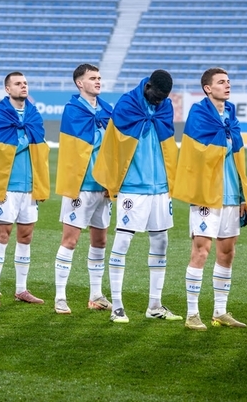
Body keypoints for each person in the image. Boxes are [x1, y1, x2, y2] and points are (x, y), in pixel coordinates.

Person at [92, 70, 181, 324]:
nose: (159, 101)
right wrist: (111, 181)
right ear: (148, 86)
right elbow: (112, 145)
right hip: (132, 185)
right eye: (157, 96)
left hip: (160, 186)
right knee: (122, 242)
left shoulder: (165, 106)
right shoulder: (127, 104)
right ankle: (117, 307)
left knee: (161, 242)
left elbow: (168, 143)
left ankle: (155, 305)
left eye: (164, 97)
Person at [173, 68, 247, 330]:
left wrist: (242, 195)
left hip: (230, 194)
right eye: (221, 82)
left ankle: (220, 311)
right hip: (207, 194)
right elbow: (196, 155)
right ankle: (192, 314)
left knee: (227, 253)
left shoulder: (231, 115)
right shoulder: (199, 114)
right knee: (201, 251)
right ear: (208, 88)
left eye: (228, 81)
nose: (227, 85)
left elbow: (237, 156)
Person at [0, 72, 50, 307]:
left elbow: (40, 147)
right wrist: (24, 141)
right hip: (6, 185)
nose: (23, 86)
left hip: (29, 187)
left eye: (25, 83)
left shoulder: (33, 114)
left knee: (26, 236)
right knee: (2, 235)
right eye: (18, 83)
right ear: (7, 89)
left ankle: (21, 289)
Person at [53, 64, 114, 314]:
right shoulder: (73, 110)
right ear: (80, 83)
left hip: (103, 186)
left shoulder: (107, 110)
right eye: (92, 78)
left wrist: (112, 181)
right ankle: (60, 296)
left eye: (99, 77)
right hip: (80, 185)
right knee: (70, 240)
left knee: (100, 240)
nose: (98, 81)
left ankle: (96, 295)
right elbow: (74, 150)